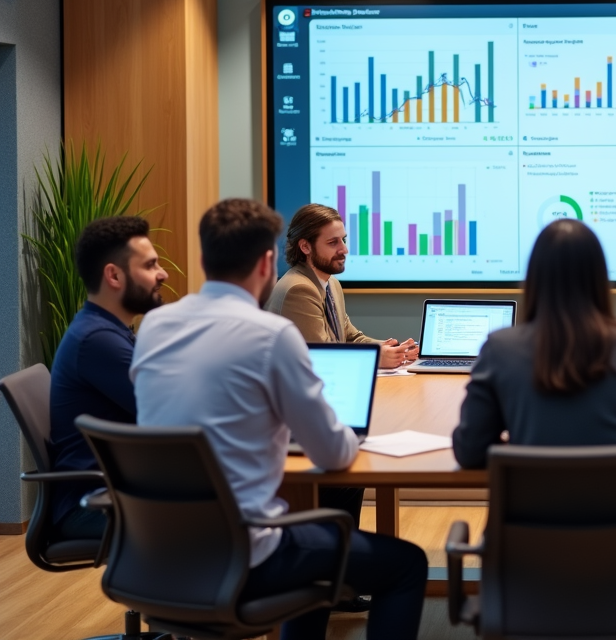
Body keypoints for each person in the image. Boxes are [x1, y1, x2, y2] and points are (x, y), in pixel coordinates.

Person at [131, 199, 427, 640]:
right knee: (407, 564)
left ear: (201, 259)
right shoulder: (274, 336)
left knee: (319, 554)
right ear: (268, 263)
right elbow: (333, 451)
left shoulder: (155, 325)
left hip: (156, 552)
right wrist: (352, 434)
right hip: (247, 554)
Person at [453, 218, 616, 469]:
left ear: (534, 278)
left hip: (532, 508)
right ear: (600, 278)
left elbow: (470, 450)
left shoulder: (500, 349)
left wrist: (518, 450)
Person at [48, 216, 167, 539]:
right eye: (151, 265)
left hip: (120, 488)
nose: (163, 274)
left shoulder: (108, 330)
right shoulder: (97, 341)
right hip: (95, 503)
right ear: (114, 275)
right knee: (229, 519)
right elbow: (171, 413)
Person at [264, 203, 418, 369]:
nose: (344, 249)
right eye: (332, 242)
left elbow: (351, 338)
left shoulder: (331, 283)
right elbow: (323, 357)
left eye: (343, 240)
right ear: (305, 247)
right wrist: (376, 357)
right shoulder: (299, 289)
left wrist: (394, 350)